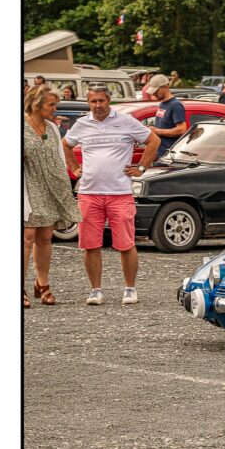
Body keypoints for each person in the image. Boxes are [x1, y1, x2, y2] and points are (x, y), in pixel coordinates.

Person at [63, 85, 160, 305]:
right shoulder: (82, 124)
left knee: (126, 243)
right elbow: (66, 144)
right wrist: (74, 168)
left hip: (119, 192)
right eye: (93, 102)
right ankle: (95, 290)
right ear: (88, 103)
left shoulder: (125, 121)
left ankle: (130, 289)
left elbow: (153, 140)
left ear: (108, 100)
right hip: (89, 193)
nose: (97, 106)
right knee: (90, 244)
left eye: (101, 101)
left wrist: (142, 168)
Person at [23, 86, 82, 307]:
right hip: (28, 186)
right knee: (27, 236)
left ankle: (43, 283)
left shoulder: (52, 128)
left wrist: (64, 190)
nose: (55, 109)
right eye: (51, 105)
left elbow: (59, 159)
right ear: (37, 104)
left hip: (49, 187)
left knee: (45, 237)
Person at [143, 73, 187, 159]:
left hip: (168, 156)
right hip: (159, 153)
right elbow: (163, 125)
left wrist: (157, 131)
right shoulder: (162, 104)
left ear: (166, 87)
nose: (154, 94)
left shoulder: (175, 105)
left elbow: (181, 129)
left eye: (156, 91)